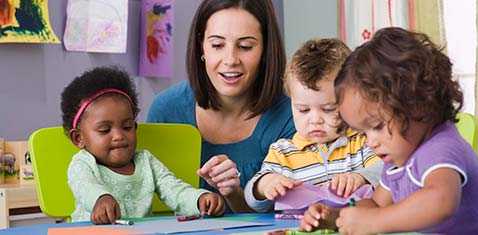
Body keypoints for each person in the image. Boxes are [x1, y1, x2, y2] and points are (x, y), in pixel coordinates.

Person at [300, 28, 478, 234]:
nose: (371, 142)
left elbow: (441, 200)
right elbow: (377, 204)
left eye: (376, 126)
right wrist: (338, 217)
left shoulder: (441, 146)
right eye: (363, 133)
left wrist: (374, 222)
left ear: (416, 103)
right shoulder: (397, 158)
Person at [146, 0, 295, 212]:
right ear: (201, 46)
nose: (230, 59)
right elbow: (147, 202)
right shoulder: (166, 110)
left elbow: (286, 217)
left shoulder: (291, 117)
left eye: (245, 46)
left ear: (265, 51)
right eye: (217, 45)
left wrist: (234, 194)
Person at [62, 67, 225, 224]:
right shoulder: (82, 164)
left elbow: (174, 190)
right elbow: (85, 186)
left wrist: (199, 199)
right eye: (105, 130)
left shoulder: (146, 161)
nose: (119, 136)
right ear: (78, 138)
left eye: (127, 127)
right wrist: (101, 198)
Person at [244, 38, 382, 213]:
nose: (315, 119)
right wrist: (266, 184)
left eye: (328, 109)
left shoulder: (362, 141)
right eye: (303, 110)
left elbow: (387, 171)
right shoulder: (283, 152)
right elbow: (252, 198)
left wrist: (361, 177)